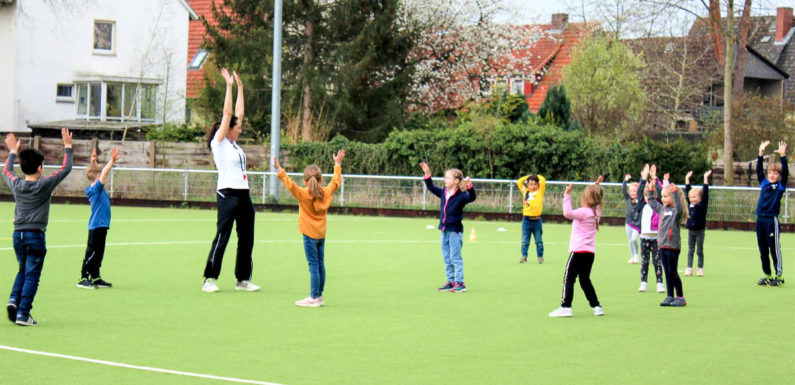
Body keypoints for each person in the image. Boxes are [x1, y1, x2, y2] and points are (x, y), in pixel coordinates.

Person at [4, 128, 73, 326]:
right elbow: (65, 169)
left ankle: (14, 300)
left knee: (23, 269)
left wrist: (11, 152)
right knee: (32, 274)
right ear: (40, 168)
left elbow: (6, 171)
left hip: (18, 235)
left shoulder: (16, 184)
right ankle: (23, 313)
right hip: (36, 235)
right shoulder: (43, 186)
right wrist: (67, 147)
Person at [202, 68, 259, 293]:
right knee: (223, 236)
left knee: (246, 238)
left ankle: (242, 279)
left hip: (243, 194)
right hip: (227, 193)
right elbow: (228, 114)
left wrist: (241, 88)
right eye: (237, 128)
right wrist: (228, 86)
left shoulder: (235, 145)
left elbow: (239, 113)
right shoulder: (219, 143)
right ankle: (209, 278)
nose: (240, 129)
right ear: (228, 131)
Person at [274, 150, 345, 307]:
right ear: (321, 180)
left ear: (306, 182)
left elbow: (290, 185)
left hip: (309, 235)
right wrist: (337, 164)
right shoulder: (326, 192)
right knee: (320, 264)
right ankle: (319, 295)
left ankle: (313, 297)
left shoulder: (303, 194)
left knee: (313, 266)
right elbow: (335, 182)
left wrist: (280, 170)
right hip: (321, 234)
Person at [549, 176, 605, 318]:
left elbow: (568, 213)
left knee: (569, 278)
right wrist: (596, 185)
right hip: (589, 253)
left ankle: (566, 306)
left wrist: (566, 195)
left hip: (578, 251)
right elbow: (597, 199)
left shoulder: (584, 212)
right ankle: (597, 306)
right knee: (584, 280)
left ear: (587, 198)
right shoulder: (596, 212)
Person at [420, 162, 477, 293]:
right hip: (444, 230)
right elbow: (430, 186)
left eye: (448, 178)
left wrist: (469, 187)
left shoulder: (462, 195)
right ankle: (450, 281)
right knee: (447, 257)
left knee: (455, 257)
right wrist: (427, 173)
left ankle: (460, 283)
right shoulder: (443, 192)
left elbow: (472, 197)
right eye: (445, 178)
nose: (445, 180)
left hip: (455, 231)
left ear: (456, 181)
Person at [77, 147, 121, 289]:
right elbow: (103, 173)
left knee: (99, 253)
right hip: (96, 226)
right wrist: (112, 161)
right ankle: (84, 277)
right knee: (92, 252)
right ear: (97, 178)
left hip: (102, 226)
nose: (104, 178)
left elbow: (96, 173)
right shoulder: (95, 189)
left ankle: (95, 277)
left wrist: (93, 162)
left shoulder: (96, 188)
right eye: (101, 177)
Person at [646, 177, 688, 307]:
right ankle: (670, 296)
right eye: (662, 196)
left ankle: (680, 296)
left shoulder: (676, 212)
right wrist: (651, 189)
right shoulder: (662, 209)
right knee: (667, 272)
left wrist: (675, 193)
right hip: (662, 246)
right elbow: (652, 202)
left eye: (665, 196)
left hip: (673, 247)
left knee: (673, 272)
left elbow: (680, 209)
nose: (663, 199)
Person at [754, 140, 788, 287]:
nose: (772, 175)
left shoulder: (780, 186)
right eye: (770, 173)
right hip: (760, 219)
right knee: (762, 248)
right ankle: (767, 274)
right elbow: (758, 171)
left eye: (775, 173)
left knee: (774, 247)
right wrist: (760, 154)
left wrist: (783, 156)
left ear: (779, 176)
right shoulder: (764, 184)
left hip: (771, 220)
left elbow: (785, 172)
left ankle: (778, 275)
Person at [636, 164, 664, 293]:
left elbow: (659, 189)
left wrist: (654, 177)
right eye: (646, 194)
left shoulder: (658, 205)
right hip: (645, 236)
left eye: (650, 194)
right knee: (645, 260)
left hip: (657, 237)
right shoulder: (642, 204)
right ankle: (644, 282)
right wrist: (644, 177)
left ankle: (659, 283)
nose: (648, 196)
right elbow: (640, 190)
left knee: (657, 261)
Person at [684, 169, 712, 277]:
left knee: (699, 250)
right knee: (690, 249)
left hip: (700, 231)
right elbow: (687, 191)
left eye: (695, 197)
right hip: (691, 231)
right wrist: (687, 178)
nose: (692, 199)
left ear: (700, 198)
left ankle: (700, 268)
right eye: (691, 198)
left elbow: (705, 193)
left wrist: (705, 178)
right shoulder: (689, 204)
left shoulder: (702, 206)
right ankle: (689, 267)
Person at [516, 173, 546, 263]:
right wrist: (528, 176)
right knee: (525, 240)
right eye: (530, 184)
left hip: (537, 221)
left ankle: (540, 257)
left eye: (535, 184)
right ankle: (524, 256)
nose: (532, 186)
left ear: (538, 185)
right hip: (526, 220)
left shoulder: (540, 191)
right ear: (528, 184)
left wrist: (535, 175)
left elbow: (543, 179)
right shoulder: (525, 191)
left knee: (539, 241)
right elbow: (519, 182)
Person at [622, 173, 642, 264]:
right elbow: (623, 190)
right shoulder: (628, 198)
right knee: (630, 240)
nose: (633, 193)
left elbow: (642, 189)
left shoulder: (640, 199)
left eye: (635, 191)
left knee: (634, 239)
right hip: (628, 222)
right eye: (632, 191)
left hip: (637, 223)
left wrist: (642, 178)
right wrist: (625, 180)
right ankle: (632, 256)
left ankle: (636, 255)